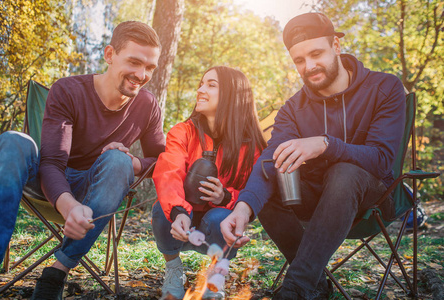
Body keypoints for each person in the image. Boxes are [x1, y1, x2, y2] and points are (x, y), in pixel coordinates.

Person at [221, 12, 406, 300]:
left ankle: (295, 290)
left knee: (344, 172)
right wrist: (243, 208)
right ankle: (314, 284)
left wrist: (324, 144)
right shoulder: (292, 109)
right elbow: (270, 162)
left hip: (374, 200)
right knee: (267, 182)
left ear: (336, 45)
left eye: (316, 53)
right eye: (299, 60)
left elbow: (382, 159)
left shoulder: (384, 87)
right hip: (316, 200)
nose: (309, 66)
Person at [0, 21, 165, 300]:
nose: (141, 74)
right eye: (134, 62)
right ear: (110, 55)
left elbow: (162, 159)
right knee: (14, 140)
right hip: (47, 185)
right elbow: (51, 162)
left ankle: (56, 273)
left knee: (118, 161)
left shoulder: (147, 105)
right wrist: (69, 205)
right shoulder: (68, 90)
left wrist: (134, 164)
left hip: (96, 192)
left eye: (150, 67)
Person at [151, 66, 266, 300]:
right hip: (181, 224)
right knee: (163, 211)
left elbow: (252, 192)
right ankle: (173, 269)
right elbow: (168, 170)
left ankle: (216, 273)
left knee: (220, 217)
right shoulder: (183, 131)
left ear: (233, 95)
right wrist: (179, 211)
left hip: (217, 226)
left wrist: (225, 197)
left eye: (211, 85)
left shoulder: (251, 146)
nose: (201, 90)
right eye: (201, 84)